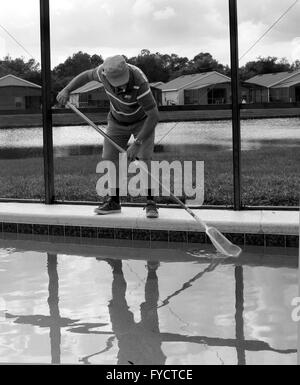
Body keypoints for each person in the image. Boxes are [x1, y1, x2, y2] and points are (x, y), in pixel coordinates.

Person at [57, 55, 159, 218]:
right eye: (116, 81)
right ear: (106, 75)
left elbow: (154, 116)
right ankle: (114, 201)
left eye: (122, 80)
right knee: (110, 158)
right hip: (117, 121)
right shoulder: (102, 73)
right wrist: (67, 90)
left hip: (142, 121)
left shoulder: (140, 83)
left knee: (144, 159)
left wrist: (137, 142)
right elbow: (85, 76)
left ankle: (150, 202)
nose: (121, 85)